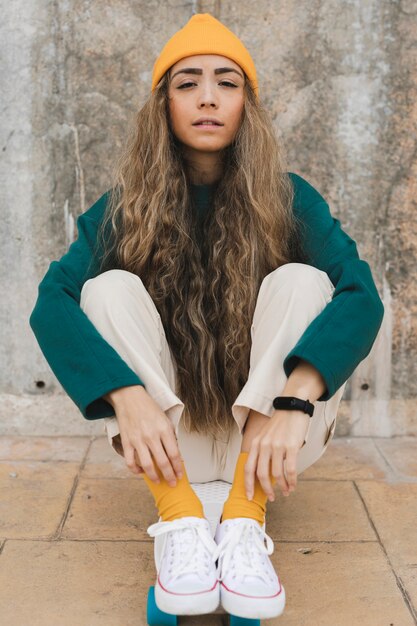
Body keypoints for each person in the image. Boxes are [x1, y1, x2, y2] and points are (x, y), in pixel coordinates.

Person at [29, 12, 384, 620]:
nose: (208, 98)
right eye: (187, 82)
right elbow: (50, 303)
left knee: (304, 282)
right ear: (162, 105)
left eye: (227, 81)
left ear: (248, 103)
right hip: (172, 437)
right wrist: (127, 396)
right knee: (105, 289)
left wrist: (296, 402)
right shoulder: (123, 207)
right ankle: (182, 520)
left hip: (270, 434)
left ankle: (244, 521)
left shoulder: (289, 196)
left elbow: (361, 295)